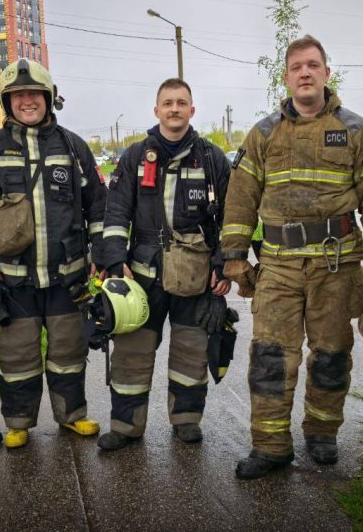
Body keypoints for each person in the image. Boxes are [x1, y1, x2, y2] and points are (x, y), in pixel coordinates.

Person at [222, 35, 363, 479]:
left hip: (335, 266)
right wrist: (235, 257)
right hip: (278, 266)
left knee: (331, 354)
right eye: (297, 66)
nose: (305, 73)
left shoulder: (357, 131)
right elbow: (240, 198)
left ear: (326, 74)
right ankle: (270, 445)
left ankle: (322, 433)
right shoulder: (263, 133)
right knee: (270, 357)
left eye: (313, 65)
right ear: (286, 77)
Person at [0, 59, 107, 449]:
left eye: (34, 94)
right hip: (13, 281)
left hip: (68, 277)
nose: (26, 101)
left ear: (48, 98)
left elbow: (98, 206)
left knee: (68, 353)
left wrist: (100, 255)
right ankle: (18, 423)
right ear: (6, 102)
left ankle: (71, 415)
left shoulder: (73, 146)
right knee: (17, 359)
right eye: (18, 95)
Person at [98, 77, 231, 451]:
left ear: (192, 110)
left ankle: (186, 421)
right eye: (168, 103)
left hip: (195, 277)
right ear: (156, 110)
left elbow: (232, 219)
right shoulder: (135, 157)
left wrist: (223, 264)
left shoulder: (212, 159)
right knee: (131, 354)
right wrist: (114, 259)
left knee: (191, 351)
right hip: (142, 276)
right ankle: (125, 426)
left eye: (181, 103)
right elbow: (115, 212)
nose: (175, 109)